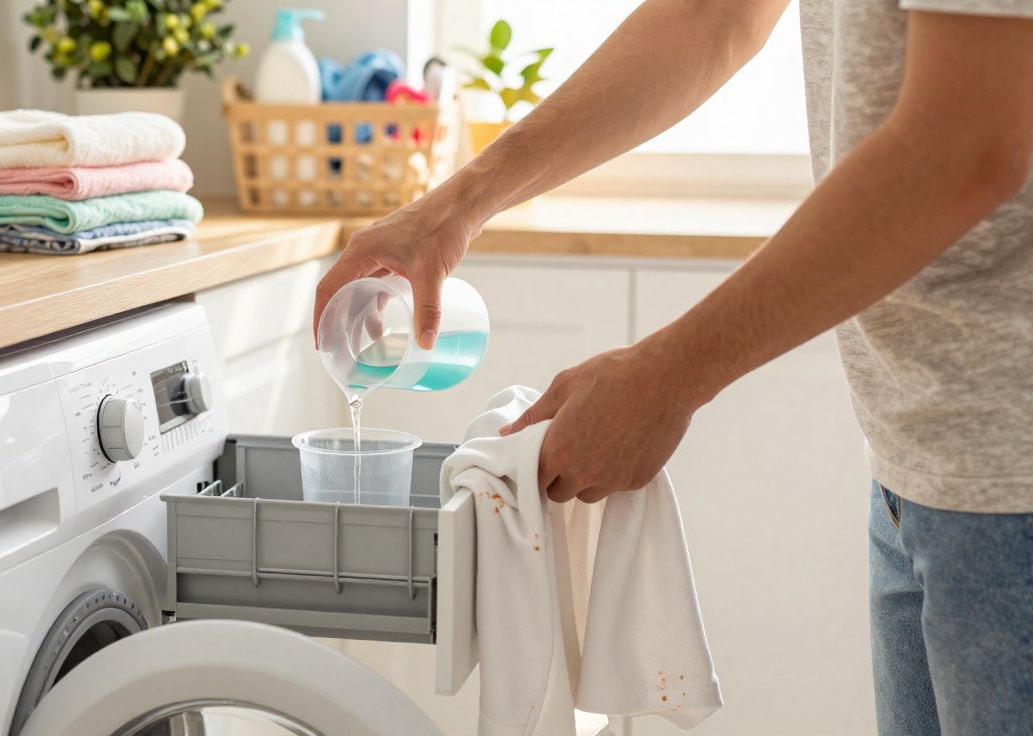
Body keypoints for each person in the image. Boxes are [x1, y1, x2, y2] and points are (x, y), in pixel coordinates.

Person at [312, 1, 1033, 733]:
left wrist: (667, 379)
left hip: (1012, 474)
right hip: (916, 466)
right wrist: (456, 206)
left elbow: (967, 142)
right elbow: (715, 14)